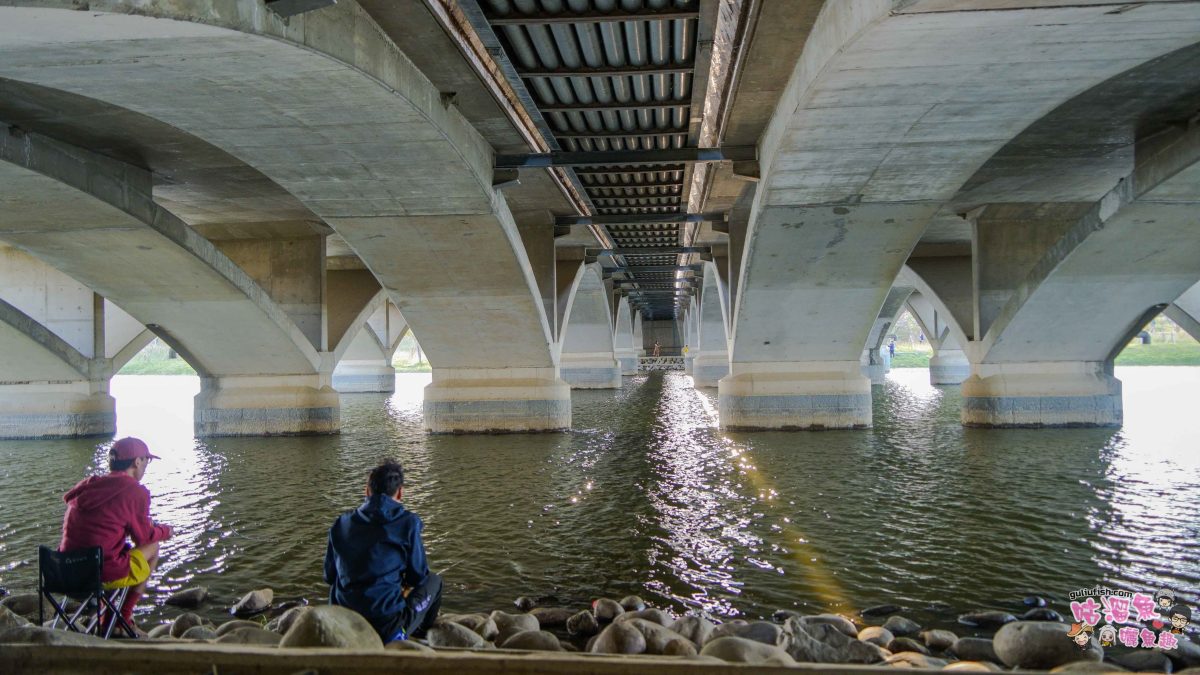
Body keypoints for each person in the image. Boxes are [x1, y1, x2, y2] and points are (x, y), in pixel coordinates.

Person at [59, 437, 173, 633]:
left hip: (64, 571)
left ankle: (107, 612)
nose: (146, 466)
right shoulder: (134, 491)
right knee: (153, 547)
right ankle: (121, 617)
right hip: (98, 574)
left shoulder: (89, 485)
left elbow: (105, 525)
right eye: (147, 460)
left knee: (116, 549)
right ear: (137, 462)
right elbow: (144, 538)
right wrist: (165, 531)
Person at [324, 460, 442, 643]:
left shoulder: (341, 523)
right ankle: (417, 634)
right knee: (434, 581)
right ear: (400, 492)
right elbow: (418, 577)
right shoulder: (408, 523)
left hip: (344, 620)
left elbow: (329, 576)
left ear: (367, 491)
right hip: (386, 626)